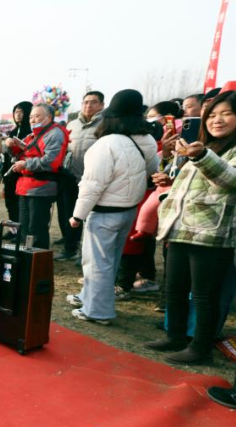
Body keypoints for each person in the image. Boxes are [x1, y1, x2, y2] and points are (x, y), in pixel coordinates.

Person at [146, 89, 236, 365]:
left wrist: (200, 157)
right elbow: (191, 185)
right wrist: (168, 181)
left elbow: (231, 179)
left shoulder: (227, 150)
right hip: (181, 229)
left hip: (211, 234)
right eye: (212, 115)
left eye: (226, 114)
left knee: (204, 295)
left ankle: (200, 348)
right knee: (175, 288)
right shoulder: (206, 147)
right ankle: (175, 336)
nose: (217, 120)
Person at [65, 89, 158, 325]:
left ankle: (97, 310)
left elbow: (92, 185)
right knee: (111, 260)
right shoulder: (147, 139)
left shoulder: (106, 144)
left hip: (105, 210)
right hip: (128, 209)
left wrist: (78, 215)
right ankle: (89, 297)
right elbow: (150, 170)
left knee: (97, 263)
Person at [5, 103, 70, 249]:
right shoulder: (32, 135)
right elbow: (20, 153)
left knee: (37, 228)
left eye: (37, 116)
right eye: (31, 117)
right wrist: (11, 146)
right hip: (24, 187)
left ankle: (37, 258)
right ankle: (26, 256)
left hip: (41, 188)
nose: (33, 120)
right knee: (24, 227)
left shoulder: (55, 134)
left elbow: (51, 161)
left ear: (49, 117)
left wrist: (25, 164)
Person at [57, 91, 105, 260]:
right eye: (85, 102)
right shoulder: (72, 125)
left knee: (90, 218)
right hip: (71, 178)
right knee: (70, 215)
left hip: (93, 179)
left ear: (102, 105)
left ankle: (88, 254)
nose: (88, 105)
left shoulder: (106, 125)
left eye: (93, 102)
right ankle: (70, 248)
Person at [1, 101, 33, 236]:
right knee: (10, 202)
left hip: (23, 172)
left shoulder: (31, 132)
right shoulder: (13, 131)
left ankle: (21, 231)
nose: (18, 115)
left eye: (21, 112)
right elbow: (7, 155)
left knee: (21, 205)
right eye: (16, 112)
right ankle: (13, 229)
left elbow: (30, 151)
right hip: (10, 173)